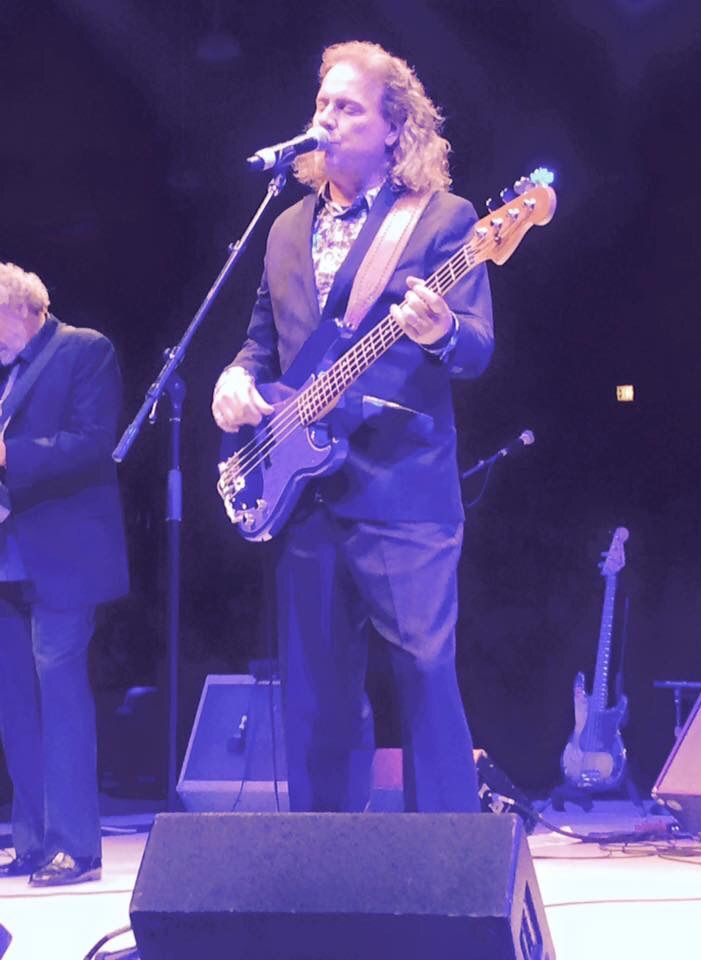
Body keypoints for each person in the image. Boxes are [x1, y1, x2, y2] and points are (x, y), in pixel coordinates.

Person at [212, 41, 493, 813]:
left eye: (348, 107)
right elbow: (262, 340)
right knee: (316, 699)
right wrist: (235, 379)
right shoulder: (283, 227)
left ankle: (449, 863)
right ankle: (322, 865)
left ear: (394, 128)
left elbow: (475, 347)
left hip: (403, 488)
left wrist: (439, 331)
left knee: (425, 679)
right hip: (304, 488)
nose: (327, 119)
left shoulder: (443, 219)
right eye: (322, 104)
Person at [0, 262, 128, 885]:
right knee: (15, 703)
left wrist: (10, 454)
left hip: (65, 555)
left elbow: (93, 441)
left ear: (26, 307)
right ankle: (30, 839)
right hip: (8, 553)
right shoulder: (4, 369)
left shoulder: (84, 349)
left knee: (60, 694)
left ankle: (75, 846)